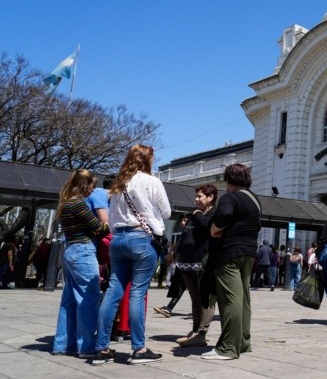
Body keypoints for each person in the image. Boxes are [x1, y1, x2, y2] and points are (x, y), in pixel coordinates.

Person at [93, 144, 171, 366]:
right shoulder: (151, 181)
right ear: (147, 159)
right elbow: (166, 212)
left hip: (118, 240)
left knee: (113, 291)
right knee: (137, 292)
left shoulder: (118, 184)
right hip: (141, 239)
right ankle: (139, 348)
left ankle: (102, 348)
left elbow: (112, 216)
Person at [201, 164, 261, 361]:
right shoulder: (254, 199)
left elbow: (224, 214)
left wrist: (214, 228)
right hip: (249, 252)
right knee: (244, 298)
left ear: (229, 179)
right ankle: (243, 342)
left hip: (229, 252)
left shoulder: (230, 197)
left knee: (230, 299)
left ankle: (228, 347)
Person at [51, 169, 108, 358]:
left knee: (69, 301)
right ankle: (86, 347)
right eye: (92, 186)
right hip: (83, 250)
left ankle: (62, 344)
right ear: (84, 184)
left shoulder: (66, 203)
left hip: (70, 250)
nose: (93, 191)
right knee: (88, 298)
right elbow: (99, 227)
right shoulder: (78, 204)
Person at [174, 184, 218, 348]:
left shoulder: (213, 213)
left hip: (203, 262)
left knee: (205, 299)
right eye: (196, 196)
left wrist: (198, 213)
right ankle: (195, 331)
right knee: (195, 300)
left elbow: (206, 226)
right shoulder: (194, 214)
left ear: (210, 197)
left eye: (200, 196)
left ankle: (201, 333)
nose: (196, 200)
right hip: (187, 263)